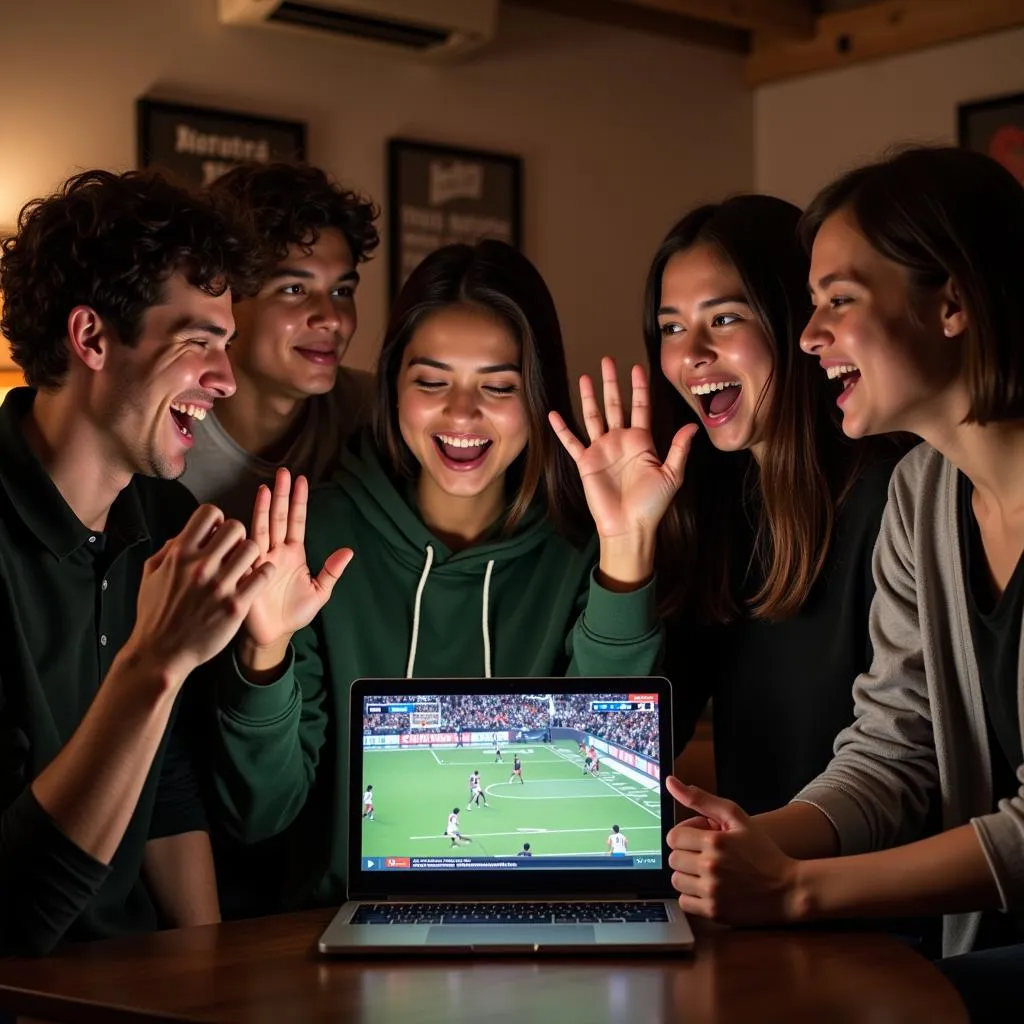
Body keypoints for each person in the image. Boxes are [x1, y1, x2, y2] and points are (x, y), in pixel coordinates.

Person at [208, 239, 693, 910]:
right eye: (431, 382)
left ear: (537, 394)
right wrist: (264, 653)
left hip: (542, 922)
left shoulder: (584, 547)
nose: (462, 415)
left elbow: (607, 778)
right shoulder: (311, 539)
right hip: (337, 928)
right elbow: (259, 816)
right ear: (391, 387)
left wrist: (627, 547)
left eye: (498, 387)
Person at [663, 147, 1024, 1019]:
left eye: (839, 300)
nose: (809, 331)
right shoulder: (925, 493)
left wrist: (793, 889)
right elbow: (893, 750)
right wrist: (741, 846)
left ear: (953, 303)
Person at [0, 169, 273, 955]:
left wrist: (209, 982)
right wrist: (153, 660)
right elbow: (10, 919)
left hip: (136, 984)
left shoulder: (166, 521)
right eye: (199, 345)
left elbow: (168, 782)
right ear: (91, 339)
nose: (224, 380)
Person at [646, 194, 909, 821]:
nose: (692, 356)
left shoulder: (894, 493)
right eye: (672, 328)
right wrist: (626, 543)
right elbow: (644, 734)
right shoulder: (713, 505)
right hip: (750, 896)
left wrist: (779, 869)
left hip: (871, 903)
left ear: (798, 320)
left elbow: (904, 763)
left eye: (725, 319)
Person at [180, 162, 380, 523]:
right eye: (294, 289)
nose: (331, 318)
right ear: (225, 298)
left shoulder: (376, 415)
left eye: (341, 291)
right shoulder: (161, 431)